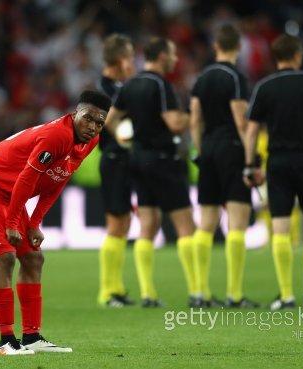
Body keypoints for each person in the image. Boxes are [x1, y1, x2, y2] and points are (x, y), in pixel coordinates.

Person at [0, 90, 111, 354]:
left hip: (11, 192)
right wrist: (12, 222)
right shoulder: (57, 135)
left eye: (99, 123)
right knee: (5, 257)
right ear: (76, 113)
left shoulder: (91, 141)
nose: (92, 127)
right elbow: (27, 179)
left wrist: (34, 222)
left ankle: (31, 337)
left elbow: (58, 178)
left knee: (33, 258)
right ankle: (6, 341)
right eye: (88, 119)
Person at [243, 34, 303, 310]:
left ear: (277, 57)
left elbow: (251, 131)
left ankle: (286, 295)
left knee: (281, 226)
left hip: (278, 161)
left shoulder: (264, 87)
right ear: (298, 55)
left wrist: (251, 164)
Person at [105, 37, 196, 307]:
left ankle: (148, 294)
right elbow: (175, 124)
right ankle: (197, 292)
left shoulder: (130, 84)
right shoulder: (160, 84)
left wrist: (129, 142)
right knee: (185, 226)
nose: (175, 59)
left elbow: (110, 120)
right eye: (172, 54)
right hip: (163, 159)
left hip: (139, 160)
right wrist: (197, 116)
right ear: (161, 57)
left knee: (148, 226)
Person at [189, 24, 260, 308]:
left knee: (206, 224)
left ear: (216, 46)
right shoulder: (236, 78)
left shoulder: (202, 78)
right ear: (238, 48)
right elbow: (242, 121)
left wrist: (200, 150)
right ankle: (234, 293)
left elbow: (195, 119)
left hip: (208, 151)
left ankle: (201, 293)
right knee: (237, 223)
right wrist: (250, 159)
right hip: (232, 149)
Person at [96, 34, 136, 308]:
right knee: (115, 224)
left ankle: (117, 289)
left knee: (123, 223)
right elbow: (107, 125)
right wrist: (132, 140)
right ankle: (107, 292)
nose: (133, 63)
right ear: (121, 60)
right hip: (113, 158)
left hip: (121, 160)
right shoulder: (105, 91)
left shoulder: (115, 87)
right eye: (131, 57)